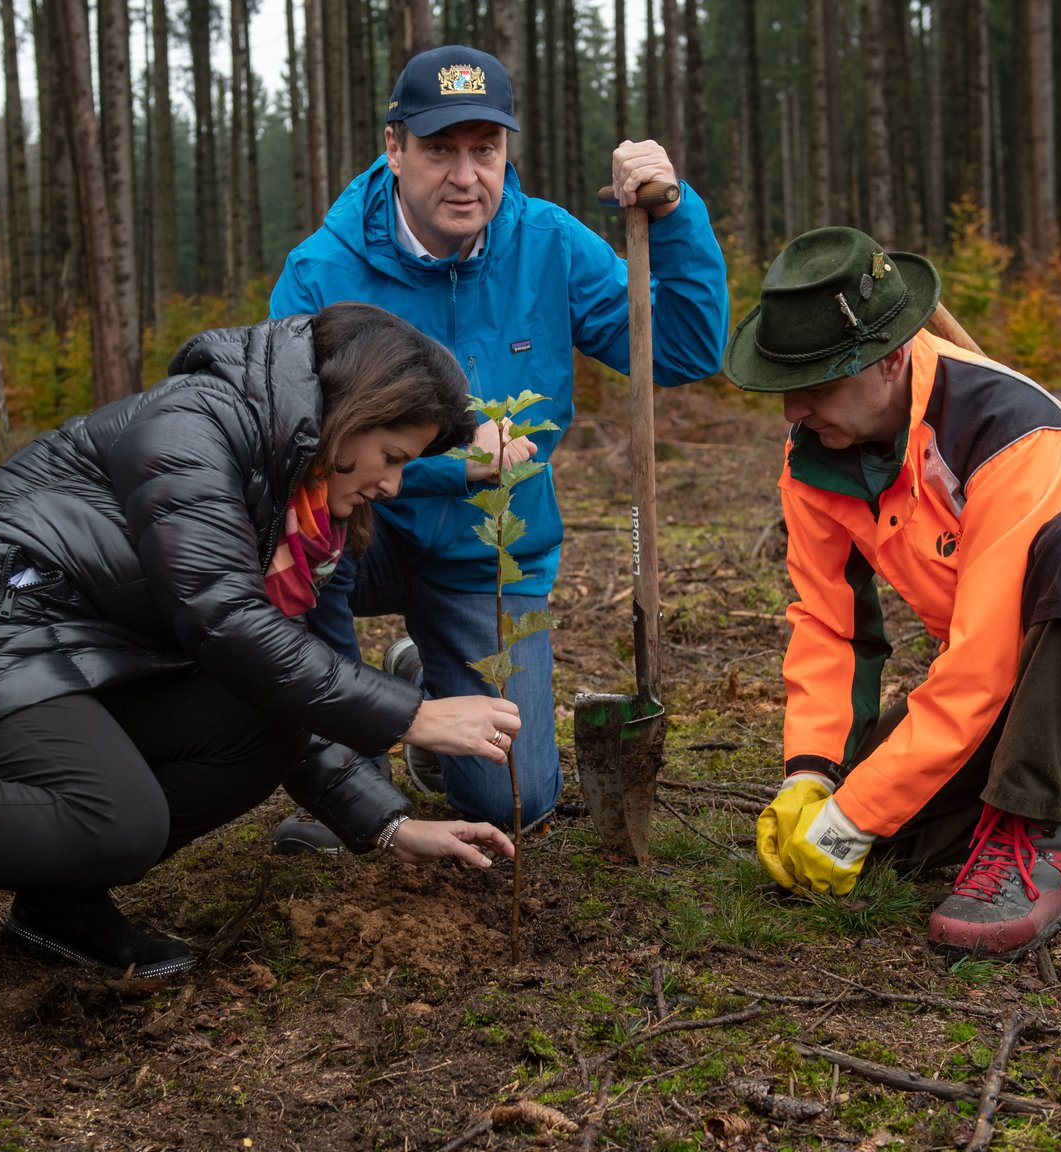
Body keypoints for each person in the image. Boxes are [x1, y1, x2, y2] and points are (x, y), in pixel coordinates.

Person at [0, 305, 524, 1033]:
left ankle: (60, 904)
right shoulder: (197, 425)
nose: (391, 484)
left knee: (262, 726)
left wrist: (384, 824)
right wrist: (410, 714)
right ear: (352, 411)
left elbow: (272, 671)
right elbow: (221, 616)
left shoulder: (297, 503)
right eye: (388, 454)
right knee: (115, 820)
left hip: (55, 653)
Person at [724, 227, 1061, 958]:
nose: (792, 412)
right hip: (1024, 655)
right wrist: (815, 776)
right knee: (890, 839)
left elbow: (983, 666)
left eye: (814, 387)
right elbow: (829, 628)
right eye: (784, 389)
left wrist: (855, 815)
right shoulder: (815, 455)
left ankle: (1040, 842)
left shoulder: (1013, 429)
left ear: (891, 359)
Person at [267, 45, 730, 845]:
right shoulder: (323, 270)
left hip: (490, 549)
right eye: (440, 149)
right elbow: (289, 447)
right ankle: (352, 785)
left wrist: (676, 212)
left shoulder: (547, 244)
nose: (464, 176)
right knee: (304, 550)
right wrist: (454, 466)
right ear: (394, 147)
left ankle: (422, 675)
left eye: (484, 151)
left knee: (517, 801)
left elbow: (684, 348)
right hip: (363, 531)